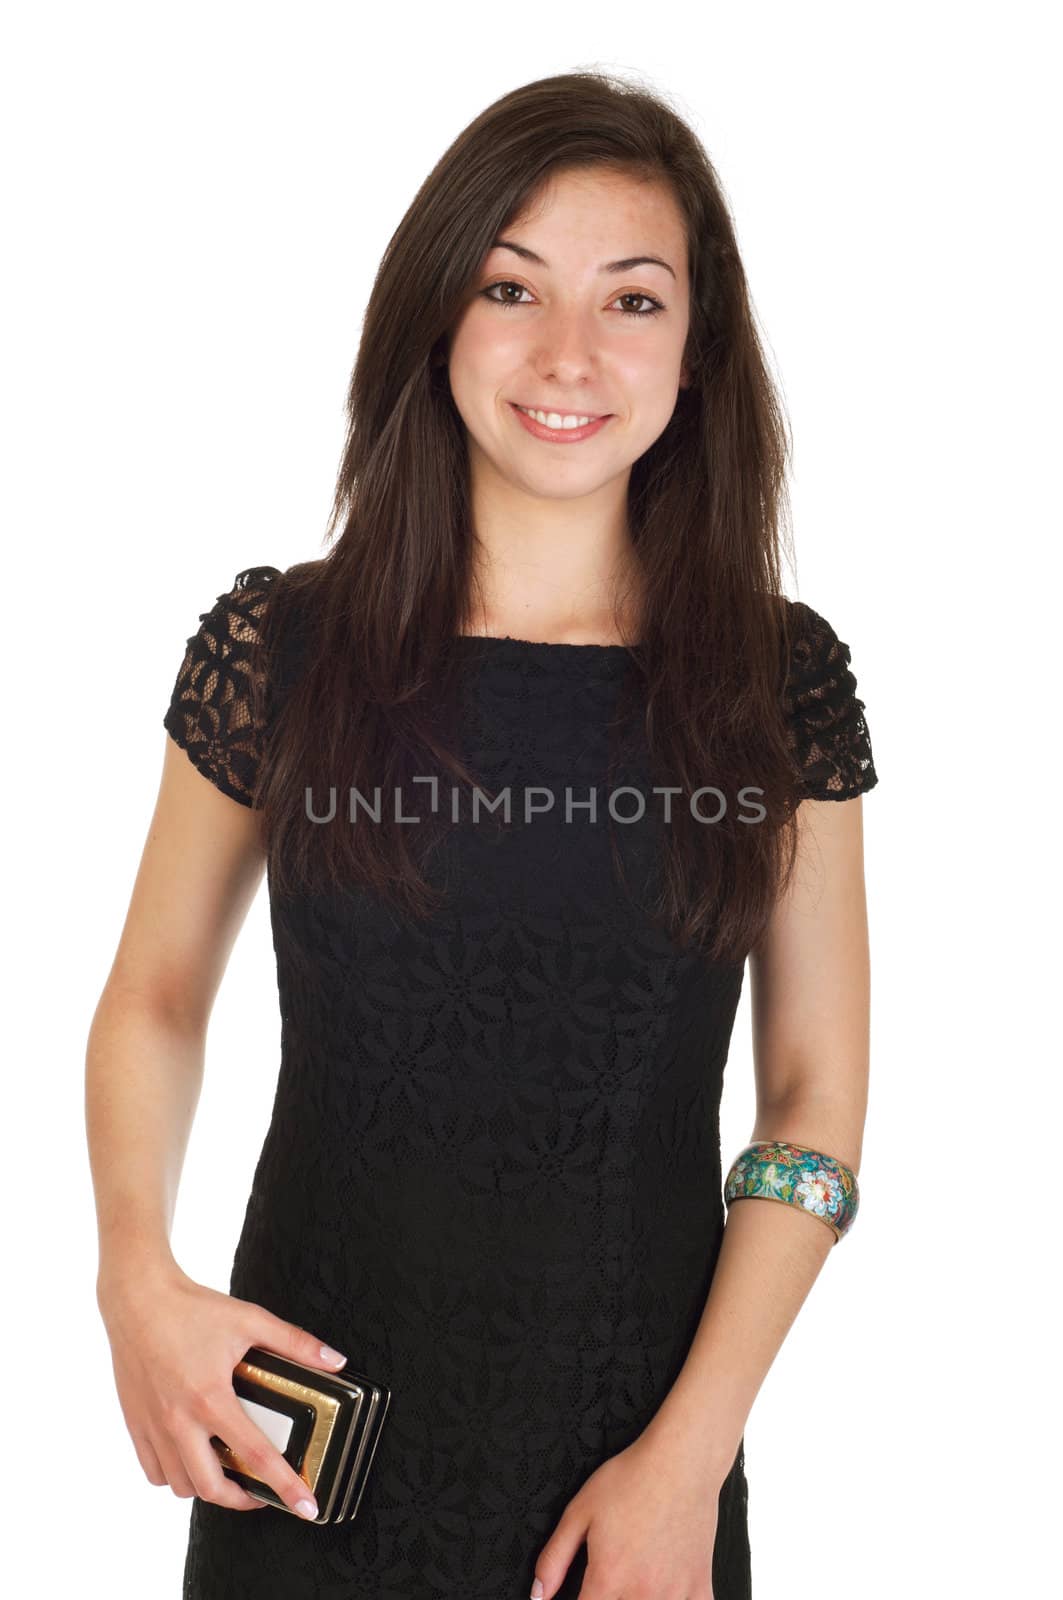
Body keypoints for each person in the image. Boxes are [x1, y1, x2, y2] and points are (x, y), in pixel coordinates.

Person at [86, 70, 878, 1600]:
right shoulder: (283, 646)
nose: (568, 353)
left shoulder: (777, 683)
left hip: (631, 1477)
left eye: (632, 301)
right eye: (511, 286)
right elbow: (156, 992)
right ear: (436, 315)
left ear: (697, 351)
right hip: (303, 1452)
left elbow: (814, 1098)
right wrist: (138, 1276)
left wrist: (690, 1459)